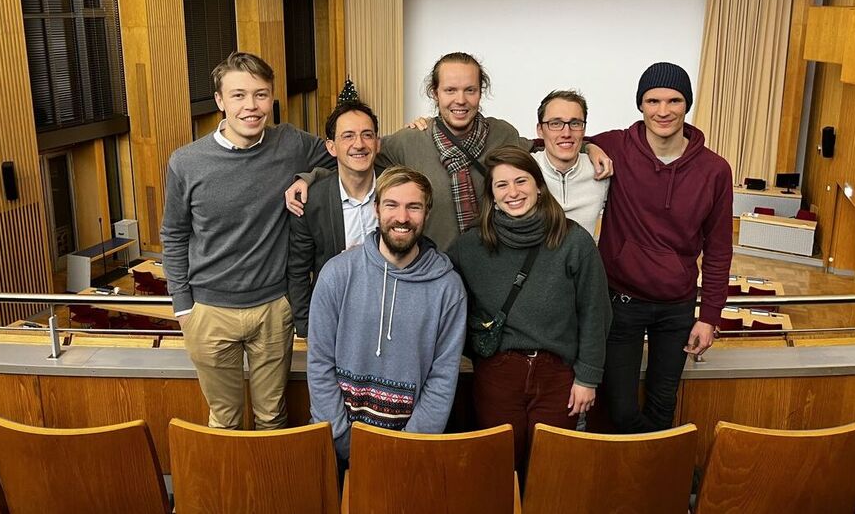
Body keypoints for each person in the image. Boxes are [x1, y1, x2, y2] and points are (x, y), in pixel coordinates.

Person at [161, 52, 336, 430]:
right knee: (223, 420)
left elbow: (346, 158)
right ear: (221, 101)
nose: (251, 106)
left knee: (273, 417)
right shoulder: (186, 162)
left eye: (260, 95)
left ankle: (269, 491)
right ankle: (232, 492)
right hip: (208, 311)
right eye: (239, 95)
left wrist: (308, 178)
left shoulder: (290, 143)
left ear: (271, 98)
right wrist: (183, 308)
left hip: (273, 309)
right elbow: (173, 235)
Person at [285, 52, 614, 251]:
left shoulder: (502, 134)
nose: (461, 99)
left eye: (470, 90)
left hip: (492, 262)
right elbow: (356, 160)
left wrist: (589, 145)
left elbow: (546, 144)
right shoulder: (408, 141)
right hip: (432, 267)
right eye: (451, 90)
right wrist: (311, 177)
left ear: (480, 92)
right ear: (435, 92)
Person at [447, 145, 611, 472]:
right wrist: (477, 346)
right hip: (497, 374)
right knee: (499, 469)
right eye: (502, 185)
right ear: (491, 196)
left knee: (551, 470)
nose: (513, 192)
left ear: (538, 186)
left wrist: (588, 378)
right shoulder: (470, 247)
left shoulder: (573, 241)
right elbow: (445, 304)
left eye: (521, 181)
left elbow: (596, 312)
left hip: (558, 376)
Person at [592, 62, 733, 433]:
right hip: (621, 302)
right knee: (619, 409)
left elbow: (718, 250)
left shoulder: (715, 170)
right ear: (640, 104)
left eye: (674, 100)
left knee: (662, 403)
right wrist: (590, 147)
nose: (663, 111)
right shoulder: (617, 146)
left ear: (687, 105)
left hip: (677, 307)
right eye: (653, 100)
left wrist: (710, 316)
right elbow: (547, 141)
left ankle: (652, 484)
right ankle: (652, 468)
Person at [307, 166, 467, 461]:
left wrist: (406, 446)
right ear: (376, 209)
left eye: (414, 207)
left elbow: (443, 378)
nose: (402, 218)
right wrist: (341, 438)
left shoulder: (448, 288)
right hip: (335, 442)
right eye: (392, 205)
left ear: (427, 213)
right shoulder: (337, 273)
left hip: (409, 451)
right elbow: (319, 362)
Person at [287, 100, 381, 338]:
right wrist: (307, 328)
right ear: (331, 146)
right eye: (348, 136)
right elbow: (298, 270)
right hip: (336, 322)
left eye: (367, 135)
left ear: (378, 143)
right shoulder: (312, 202)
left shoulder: (396, 193)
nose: (359, 144)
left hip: (389, 317)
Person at [533, 90, 610, 235]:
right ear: (540, 130)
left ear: (584, 129)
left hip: (583, 256)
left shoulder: (601, 171)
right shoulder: (523, 170)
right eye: (555, 124)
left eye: (575, 123)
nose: (566, 133)